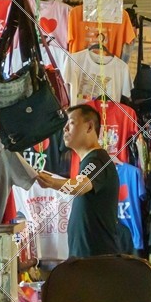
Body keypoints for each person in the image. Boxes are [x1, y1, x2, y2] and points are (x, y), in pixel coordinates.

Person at [36, 104, 122, 257]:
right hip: (88, 260)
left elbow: (79, 186)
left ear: (89, 127)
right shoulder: (90, 161)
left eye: (71, 123)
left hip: (97, 262)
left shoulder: (97, 159)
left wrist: (51, 182)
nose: (65, 129)